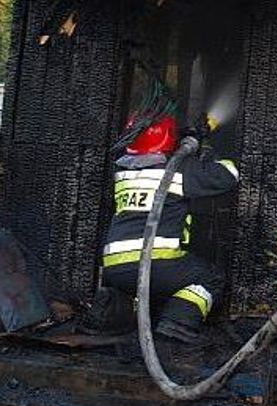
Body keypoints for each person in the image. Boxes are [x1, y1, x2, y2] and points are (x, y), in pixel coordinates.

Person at [80, 113, 239, 344]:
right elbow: (228, 176)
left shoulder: (123, 174)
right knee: (210, 278)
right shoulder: (178, 171)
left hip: (114, 269)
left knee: (131, 287)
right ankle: (177, 323)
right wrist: (206, 149)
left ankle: (108, 311)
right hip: (156, 264)